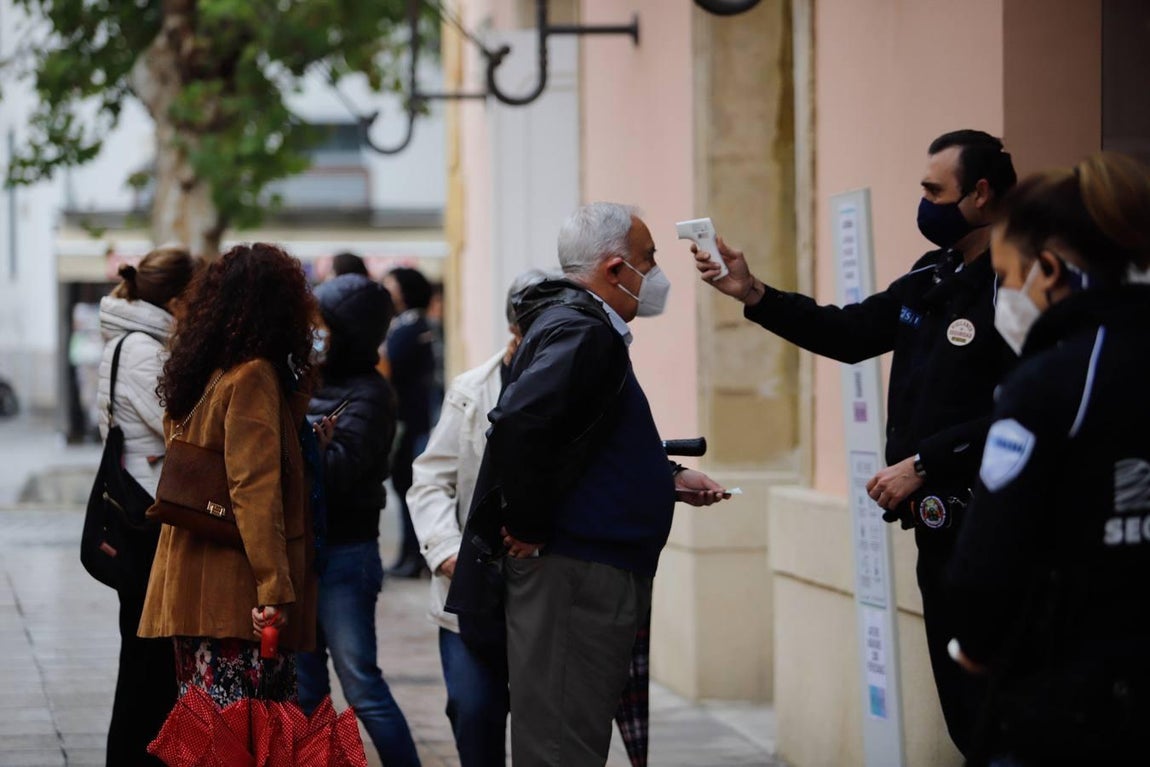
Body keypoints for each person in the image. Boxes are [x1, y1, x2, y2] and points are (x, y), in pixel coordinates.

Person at [693, 130, 1017, 756]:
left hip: (996, 527)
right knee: (963, 707)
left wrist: (926, 461)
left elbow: (1025, 409)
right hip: (937, 530)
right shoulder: (934, 273)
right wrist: (753, 293)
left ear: (980, 194)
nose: (923, 203)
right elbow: (849, 332)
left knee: (1000, 704)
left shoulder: (1018, 283)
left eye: (934, 190)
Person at [450, 202, 729, 766]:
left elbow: (581, 443)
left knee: (568, 735)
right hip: (573, 573)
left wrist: (665, 477)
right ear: (613, 269)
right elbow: (521, 424)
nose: (655, 273)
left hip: (584, 568)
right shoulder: (582, 330)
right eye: (647, 259)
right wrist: (526, 523)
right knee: (561, 743)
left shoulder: (579, 326)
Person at [947, 152, 1150, 766]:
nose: (1003, 298)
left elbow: (990, 555)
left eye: (1006, 278)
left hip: (1075, 701)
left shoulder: (1049, 383)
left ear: (1050, 271)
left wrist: (975, 647)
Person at [139, 242, 321, 708]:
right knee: (247, 742)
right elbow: (253, 488)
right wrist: (274, 590)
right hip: (236, 598)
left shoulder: (199, 372)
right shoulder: (252, 376)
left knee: (207, 742)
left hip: (188, 589)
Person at [407, 268, 551, 766]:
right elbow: (430, 479)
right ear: (515, 329)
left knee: (546, 732)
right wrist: (445, 552)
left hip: (546, 592)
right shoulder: (472, 389)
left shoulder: (576, 386)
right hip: (470, 594)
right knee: (474, 714)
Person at [297, 273, 421, 766]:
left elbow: (342, 473)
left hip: (347, 555)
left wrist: (299, 443)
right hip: (304, 553)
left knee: (360, 683)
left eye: (325, 326)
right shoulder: (305, 381)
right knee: (305, 688)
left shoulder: (372, 394)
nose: (315, 335)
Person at [96, 245, 199, 766]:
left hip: (149, 511)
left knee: (150, 659)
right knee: (147, 661)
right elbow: (182, 424)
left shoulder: (140, 341)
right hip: (148, 518)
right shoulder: (141, 349)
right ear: (179, 300)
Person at [382, 266, 436, 577]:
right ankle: (408, 555)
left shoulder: (409, 327)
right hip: (412, 418)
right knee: (405, 489)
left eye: (391, 284)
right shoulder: (414, 325)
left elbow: (391, 365)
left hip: (407, 420)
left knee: (408, 489)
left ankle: (413, 556)